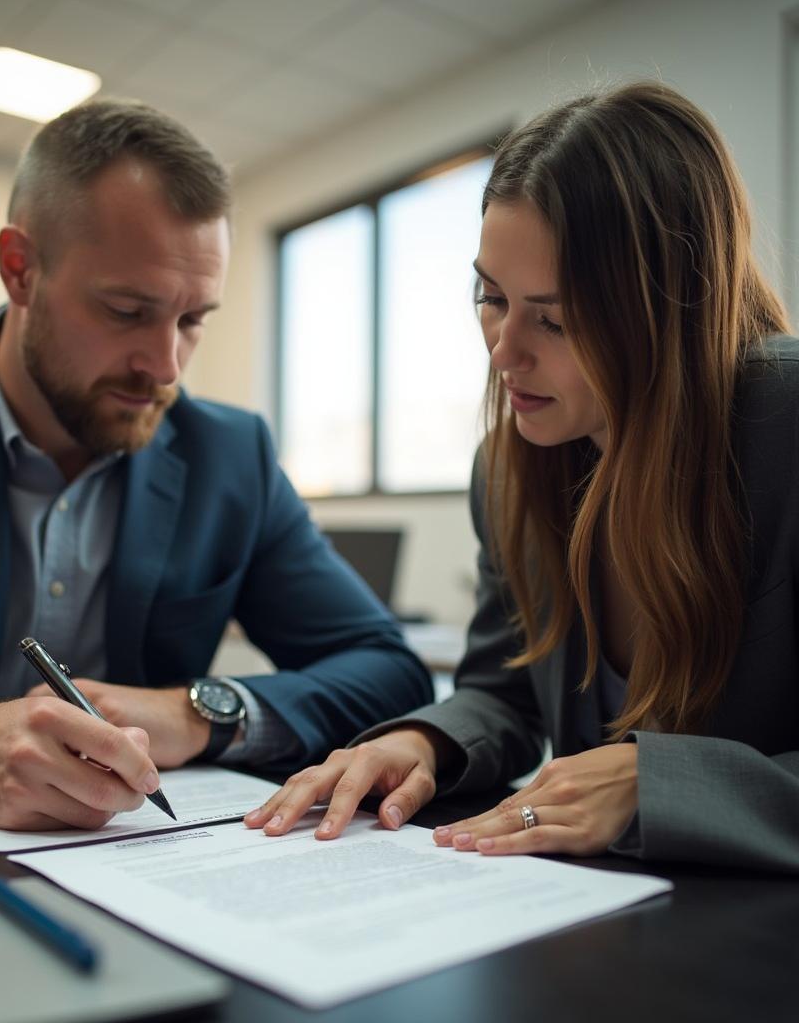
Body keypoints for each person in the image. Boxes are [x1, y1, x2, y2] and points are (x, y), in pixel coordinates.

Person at [0, 100, 432, 830]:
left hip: (133, 867)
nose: (164, 366)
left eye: (192, 320)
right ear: (20, 270)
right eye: (127, 310)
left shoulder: (230, 455)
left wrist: (199, 710)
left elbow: (385, 666)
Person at [244, 81, 799, 872]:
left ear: (671, 305)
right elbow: (504, 691)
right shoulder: (509, 471)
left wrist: (661, 783)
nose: (503, 352)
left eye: (557, 318)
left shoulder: (787, 420)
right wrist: (424, 739)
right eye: (491, 297)